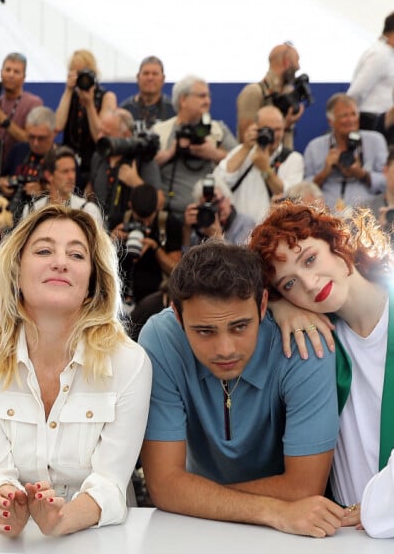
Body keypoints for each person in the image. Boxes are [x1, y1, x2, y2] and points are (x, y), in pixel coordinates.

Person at [0, 204, 152, 537]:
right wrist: (6, 506)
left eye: (77, 256)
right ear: (16, 271)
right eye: (44, 250)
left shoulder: (129, 363)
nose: (60, 261)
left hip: (99, 538)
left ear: (93, 281)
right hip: (11, 542)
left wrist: (62, 518)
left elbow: (111, 483)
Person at [139, 241, 344, 537]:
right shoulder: (161, 338)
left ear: (263, 305)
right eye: (204, 331)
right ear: (178, 316)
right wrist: (273, 510)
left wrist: (191, 496)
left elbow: (304, 487)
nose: (225, 349)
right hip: (204, 528)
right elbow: (164, 487)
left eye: (240, 326)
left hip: (290, 532)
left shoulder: (305, 344)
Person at [249, 201, 394, 526]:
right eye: (289, 284)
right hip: (339, 534)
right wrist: (275, 307)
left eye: (310, 259)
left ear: (336, 239)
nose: (311, 284)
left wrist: (379, 508)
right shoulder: (313, 335)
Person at [152, 75, 237, 223]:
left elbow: (240, 161)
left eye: (208, 96)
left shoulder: (218, 130)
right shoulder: (160, 131)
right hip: (169, 218)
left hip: (210, 217)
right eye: (202, 96)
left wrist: (214, 154)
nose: (207, 101)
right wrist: (170, 153)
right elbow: (147, 167)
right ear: (183, 100)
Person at [214, 105, 304, 223]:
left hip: (272, 231)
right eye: (268, 129)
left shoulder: (293, 159)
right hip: (237, 233)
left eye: (278, 130)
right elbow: (220, 181)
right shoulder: (242, 151)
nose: (274, 135)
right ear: (255, 128)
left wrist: (265, 169)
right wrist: (246, 148)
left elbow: (290, 197)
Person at [304, 93, 388, 212]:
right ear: (330, 121)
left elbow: (388, 181)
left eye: (354, 114)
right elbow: (304, 189)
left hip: (366, 214)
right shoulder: (315, 147)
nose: (351, 120)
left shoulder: (375, 141)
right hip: (326, 214)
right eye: (344, 116)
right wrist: (325, 172)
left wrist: (362, 174)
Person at [87, 108, 163, 225]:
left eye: (106, 134)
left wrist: (137, 183)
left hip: (130, 230)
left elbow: (159, 203)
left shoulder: (142, 159)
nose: (99, 138)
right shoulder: (99, 156)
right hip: (100, 228)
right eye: (99, 132)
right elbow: (90, 192)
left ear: (126, 135)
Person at [55, 49, 117, 188]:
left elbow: (99, 137)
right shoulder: (70, 96)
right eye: (75, 72)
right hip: (70, 166)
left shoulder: (106, 97)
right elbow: (58, 126)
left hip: (95, 166)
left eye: (84, 72)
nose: (80, 78)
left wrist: (89, 105)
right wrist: (68, 91)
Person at [236, 43, 304, 149]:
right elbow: (245, 140)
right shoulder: (253, 93)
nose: (298, 67)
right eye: (296, 62)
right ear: (286, 62)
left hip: (285, 162)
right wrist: (284, 125)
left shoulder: (288, 92)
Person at [0, 52, 43, 167]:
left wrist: (3, 119)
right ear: (1, 73)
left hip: (21, 166)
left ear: (24, 77)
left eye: (16, 72)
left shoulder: (34, 103)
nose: (11, 75)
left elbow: (30, 140)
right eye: (8, 70)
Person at [0, 106, 57, 220]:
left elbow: (72, 194)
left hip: (45, 215)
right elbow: (1, 178)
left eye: (41, 138)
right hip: (11, 212)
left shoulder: (63, 158)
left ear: (54, 133)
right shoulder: (18, 150)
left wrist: (45, 191)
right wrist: (2, 183)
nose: (35, 143)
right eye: (31, 137)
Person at [21, 145, 103, 226]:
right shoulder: (32, 211)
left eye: (73, 170)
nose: (71, 176)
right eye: (65, 171)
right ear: (49, 175)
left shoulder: (88, 210)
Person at [347, 12, 394, 133]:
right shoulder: (379, 54)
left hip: (383, 121)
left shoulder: (388, 54)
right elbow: (357, 91)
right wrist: (350, 118)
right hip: (371, 122)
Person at [182, 174, 255, 248]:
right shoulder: (201, 229)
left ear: (228, 199)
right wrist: (187, 231)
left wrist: (218, 237)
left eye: (217, 202)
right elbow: (187, 258)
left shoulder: (245, 223)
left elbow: (241, 258)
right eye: (207, 206)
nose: (215, 209)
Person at [120, 56, 175, 133]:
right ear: (138, 77)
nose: (150, 78)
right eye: (146, 73)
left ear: (163, 79)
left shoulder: (173, 110)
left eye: (155, 74)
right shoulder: (125, 110)